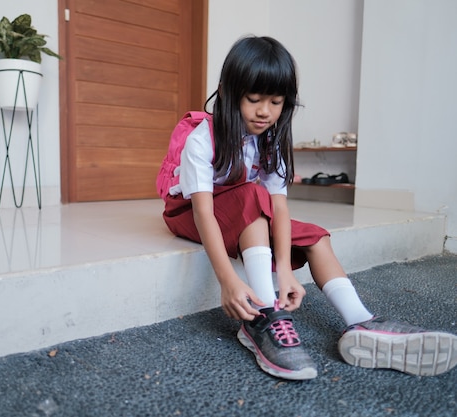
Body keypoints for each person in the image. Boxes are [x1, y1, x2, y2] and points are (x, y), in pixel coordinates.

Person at [157, 35, 457, 380]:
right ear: (226, 92)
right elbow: (203, 212)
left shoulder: (269, 140)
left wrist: (284, 270)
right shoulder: (202, 138)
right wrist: (227, 279)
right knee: (252, 195)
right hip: (191, 215)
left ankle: (361, 321)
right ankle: (262, 317)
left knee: (315, 236)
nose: (264, 111)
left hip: (242, 212)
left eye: (276, 102)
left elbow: (279, 207)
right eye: (253, 99)